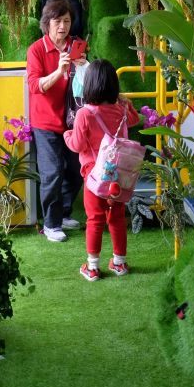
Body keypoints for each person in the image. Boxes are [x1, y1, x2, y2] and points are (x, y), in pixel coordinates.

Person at [63, 59, 139, 281]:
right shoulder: (121, 109)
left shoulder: (85, 114)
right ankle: (119, 263)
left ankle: (93, 266)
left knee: (95, 219)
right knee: (117, 218)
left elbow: (77, 145)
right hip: (119, 175)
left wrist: (67, 135)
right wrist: (125, 103)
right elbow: (134, 120)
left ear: (89, 85)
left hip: (95, 176)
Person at [26, 0, 87, 242]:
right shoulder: (36, 50)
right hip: (45, 122)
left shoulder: (77, 45)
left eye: (67, 20)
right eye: (57, 21)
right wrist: (59, 71)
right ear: (47, 24)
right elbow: (34, 85)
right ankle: (51, 224)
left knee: (76, 170)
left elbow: (87, 82)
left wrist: (83, 66)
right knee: (52, 173)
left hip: (73, 121)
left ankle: (62, 214)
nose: (63, 26)